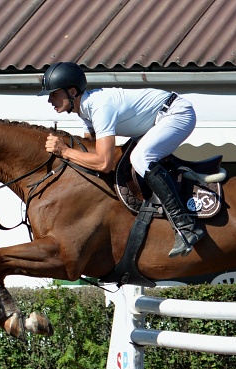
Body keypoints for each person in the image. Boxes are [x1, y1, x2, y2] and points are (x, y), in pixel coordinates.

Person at [40, 61, 204, 258]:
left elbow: (104, 163)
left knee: (141, 158)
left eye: (54, 94)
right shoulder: (85, 111)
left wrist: (65, 151)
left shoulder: (100, 107)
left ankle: (185, 226)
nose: (49, 100)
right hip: (153, 121)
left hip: (177, 113)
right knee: (129, 158)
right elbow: (89, 150)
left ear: (72, 92)